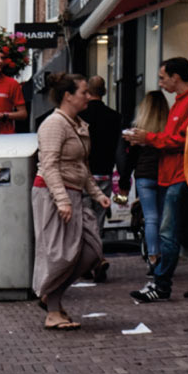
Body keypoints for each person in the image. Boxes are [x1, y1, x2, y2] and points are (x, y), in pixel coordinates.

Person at [124, 57, 188, 303]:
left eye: (163, 77)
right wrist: (150, 139)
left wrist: (148, 138)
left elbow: (182, 141)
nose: (161, 83)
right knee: (186, 232)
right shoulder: (184, 102)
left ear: (175, 77)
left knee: (168, 231)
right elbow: (177, 139)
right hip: (175, 175)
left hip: (180, 176)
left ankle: (161, 285)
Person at [31, 73, 109, 331]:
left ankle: (50, 297)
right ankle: (52, 309)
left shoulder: (76, 124)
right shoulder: (54, 125)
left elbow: (80, 167)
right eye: (84, 92)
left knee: (91, 251)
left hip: (72, 193)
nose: (88, 97)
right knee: (60, 256)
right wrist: (62, 200)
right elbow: (49, 165)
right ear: (68, 96)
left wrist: (97, 194)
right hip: (54, 195)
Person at [116, 91, 168, 275]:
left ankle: (153, 257)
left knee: (151, 218)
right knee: (162, 218)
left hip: (144, 176)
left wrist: (124, 183)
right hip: (164, 175)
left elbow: (130, 159)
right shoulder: (167, 127)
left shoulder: (138, 129)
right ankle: (164, 257)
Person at [80, 76, 122, 267]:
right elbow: (118, 149)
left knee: (83, 217)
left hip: (83, 173)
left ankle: (89, 261)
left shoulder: (80, 116)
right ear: (104, 92)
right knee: (98, 219)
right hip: (104, 172)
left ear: (88, 92)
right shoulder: (114, 116)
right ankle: (96, 257)